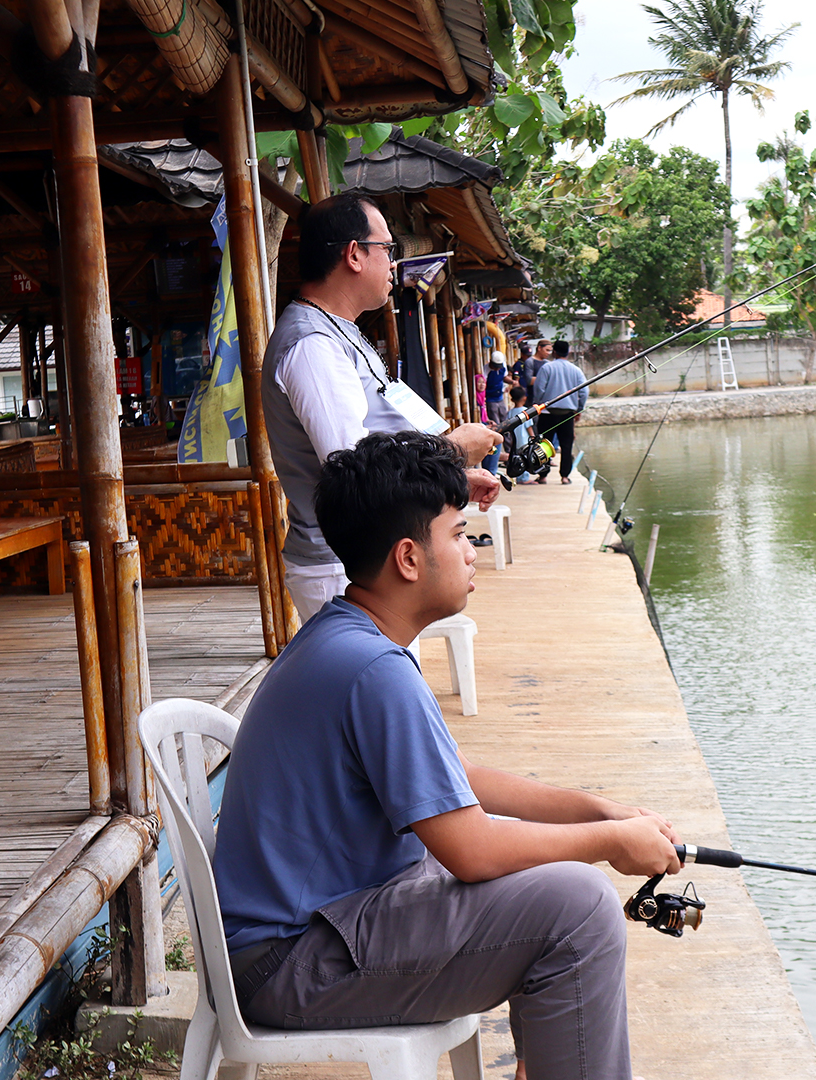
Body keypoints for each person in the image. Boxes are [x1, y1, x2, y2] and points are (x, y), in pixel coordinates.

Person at [214, 430, 683, 1080]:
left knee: (544, 880)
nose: (471, 550)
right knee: (579, 908)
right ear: (409, 558)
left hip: (315, 932)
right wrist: (607, 840)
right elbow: (472, 850)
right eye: (459, 535)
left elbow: (453, 779)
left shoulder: (349, 638)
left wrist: (594, 809)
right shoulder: (373, 668)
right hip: (291, 962)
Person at [261, 192, 503, 621]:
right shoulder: (312, 345)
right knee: (357, 684)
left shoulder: (343, 331)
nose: (393, 263)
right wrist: (451, 451)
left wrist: (448, 479)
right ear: (354, 254)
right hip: (341, 566)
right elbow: (352, 467)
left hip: (368, 555)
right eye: (387, 248)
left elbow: (377, 437)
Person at [531, 339, 587, 484]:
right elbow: (584, 392)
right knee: (566, 446)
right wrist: (579, 409)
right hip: (568, 414)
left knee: (543, 445)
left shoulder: (546, 368)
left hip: (547, 413)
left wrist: (538, 405)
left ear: (554, 352)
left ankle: (543, 475)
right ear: (568, 352)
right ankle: (565, 476)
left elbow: (539, 389)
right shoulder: (576, 370)